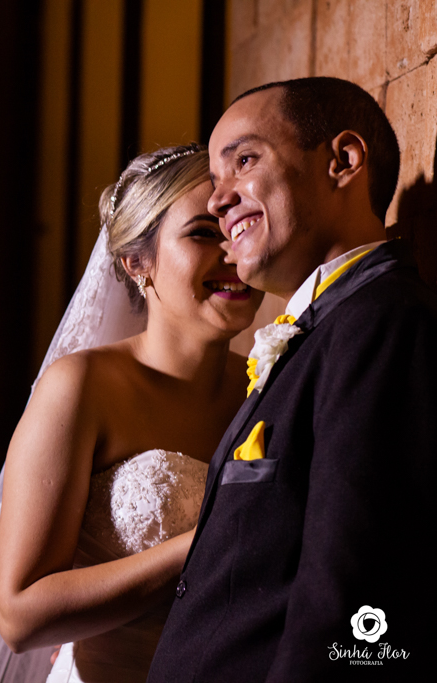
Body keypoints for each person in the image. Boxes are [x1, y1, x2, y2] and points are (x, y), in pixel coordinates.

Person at [0, 144, 263, 683]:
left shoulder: (265, 386)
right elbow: (20, 615)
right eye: (202, 233)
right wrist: (202, 544)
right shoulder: (81, 387)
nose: (231, 253)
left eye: (238, 228)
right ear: (137, 262)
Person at [148, 77, 437, 682]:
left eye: (244, 162)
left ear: (344, 160)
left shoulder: (378, 323)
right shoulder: (323, 328)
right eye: (216, 180)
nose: (216, 201)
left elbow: (353, 587)